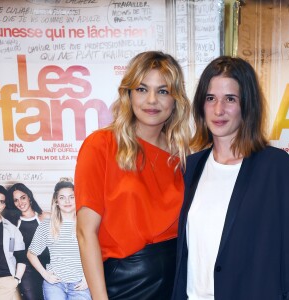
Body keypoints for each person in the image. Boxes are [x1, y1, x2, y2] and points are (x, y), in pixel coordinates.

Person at [171, 56, 289, 300]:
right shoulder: (191, 167)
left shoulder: (277, 168)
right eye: (211, 99)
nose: (218, 110)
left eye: (230, 99)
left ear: (247, 105)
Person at [74, 50, 191, 300]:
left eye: (163, 91)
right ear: (128, 94)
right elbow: (86, 233)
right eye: (141, 89)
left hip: (177, 280)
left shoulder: (181, 155)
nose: (151, 100)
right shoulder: (101, 145)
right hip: (126, 284)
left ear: (175, 100)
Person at [27, 178, 91, 300]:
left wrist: (88, 278)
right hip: (55, 285)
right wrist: (45, 275)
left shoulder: (86, 223)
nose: (67, 201)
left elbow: (96, 254)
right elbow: (31, 253)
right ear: (56, 201)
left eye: (71, 197)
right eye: (62, 197)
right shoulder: (47, 224)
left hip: (80, 284)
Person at [6, 183, 50, 300]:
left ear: (29, 197)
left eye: (23, 197)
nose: (20, 203)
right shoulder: (13, 224)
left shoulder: (45, 217)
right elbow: (10, 251)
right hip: (27, 273)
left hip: (49, 267)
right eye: (16, 200)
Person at [0, 185, 26, 300]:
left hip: (6, 280)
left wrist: (16, 280)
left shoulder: (12, 229)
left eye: (1, 202)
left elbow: (21, 258)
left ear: (4, 205)